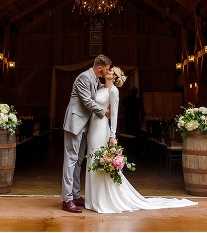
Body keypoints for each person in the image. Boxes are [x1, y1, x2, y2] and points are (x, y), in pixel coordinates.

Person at [84, 66, 197, 213]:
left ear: (116, 78)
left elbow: (115, 115)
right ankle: (93, 199)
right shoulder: (100, 88)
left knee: (99, 159)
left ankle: (103, 199)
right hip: (92, 128)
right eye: (109, 70)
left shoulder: (114, 91)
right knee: (91, 159)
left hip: (101, 128)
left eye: (112, 71)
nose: (108, 71)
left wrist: (112, 136)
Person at [61, 54, 112, 213]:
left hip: (85, 125)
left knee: (78, 161)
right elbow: (87, 101)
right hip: (75, 123)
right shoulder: (84, 77)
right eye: (107, 69)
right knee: (70, 159)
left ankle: (75, 195)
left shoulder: (96, 80)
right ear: (99, 68)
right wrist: (104, 112)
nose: (108, 71)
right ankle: (67, 199)